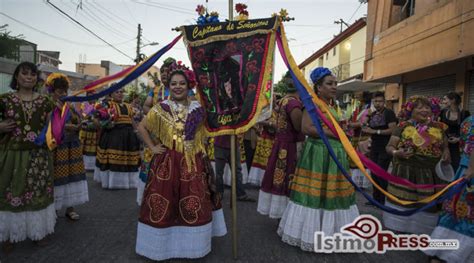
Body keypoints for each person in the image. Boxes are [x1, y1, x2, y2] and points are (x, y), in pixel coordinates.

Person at [135, 66, 227, 261]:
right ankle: (163, 247)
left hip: (194, 163)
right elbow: (141, 127)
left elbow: (213, 128)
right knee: (164, 203)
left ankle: (191, 246)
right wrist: (152, 147)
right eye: (173, 84)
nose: (177, 87)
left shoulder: (199, 110)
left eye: (182, 83)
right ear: (168, 86)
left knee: (193, 202)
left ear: (189, 85)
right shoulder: (160, 108)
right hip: (167, 163)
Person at [278, 67, 359, 251]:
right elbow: (306, 128)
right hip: (319, 153)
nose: (334, 87)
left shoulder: (333, 105)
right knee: (315, 195)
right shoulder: (312, 104)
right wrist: (335, 133)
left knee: (332, 194)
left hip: (335, 153)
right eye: (329, 84)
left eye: (335, 84)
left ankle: (330, 233)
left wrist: (343, 132)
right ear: (318, 87)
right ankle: (310, 233)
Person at [0, 62, 56, 250]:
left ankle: (37, 232)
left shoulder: (45, 101)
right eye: (24, 73)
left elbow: (52, 127)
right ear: (16, 77)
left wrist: (59, 118)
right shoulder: (4, 100)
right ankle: (8, 235)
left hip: (38, 157)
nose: (29, 77)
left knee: (37, 192)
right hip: (12, 156)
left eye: (33, 74)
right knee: (11, 191)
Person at [384, 96, 450, 235]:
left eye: (427, 107)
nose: (424, 110)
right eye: (419, 107)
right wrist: (397, 152)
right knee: (403, 201)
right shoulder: (402, 126)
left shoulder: (439, 127)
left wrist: (446, 152)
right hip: (405, 172)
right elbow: (389, 147)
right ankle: (400, 227)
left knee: (426, 205)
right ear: (411, 110)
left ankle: (421, 230)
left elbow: (445, 146)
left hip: (430, 174)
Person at [424, 116, 474, 263]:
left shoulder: (468, 120)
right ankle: (441, 254)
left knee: (455, 214)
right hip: (470, 172)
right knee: (461, 215)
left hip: (467, 169)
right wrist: (471, 170)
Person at [257, 73, 304, 219]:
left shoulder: (283, 100)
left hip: (280, 143)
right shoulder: (294, 104)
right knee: (287, 175)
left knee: (279, 175)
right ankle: (286, 214)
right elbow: (299, 127)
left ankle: (279, 212)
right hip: (289, 146)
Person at [47, 73, 89, 221]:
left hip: (73, 146)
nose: (63, 94)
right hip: (57, 148)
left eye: (65, 91)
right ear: (52, 91)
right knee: (58, 178)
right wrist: (65, 127)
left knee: (73, 178)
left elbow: (80, 121)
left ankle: (70, 208)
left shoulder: (70, 106)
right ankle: (54, 210)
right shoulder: (49, 106)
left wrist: (79, 125)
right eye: (59, 91)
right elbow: (48, 126)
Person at [94, 89, 141, 189]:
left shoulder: (128, 106)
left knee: (128, 158)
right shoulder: (107, 105)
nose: (120, 94)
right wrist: (104, 125)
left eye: (121, 92)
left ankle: (128, 182)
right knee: (113, 158)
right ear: (111, 94)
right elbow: (96, 119)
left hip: (128, 136)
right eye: (117, 92)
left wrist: (137, 132)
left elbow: (132, 120)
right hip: (113, 136)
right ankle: (113, 182)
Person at [361, 91, 397, 205]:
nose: (377, 104)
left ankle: (383, 200)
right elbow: (364, 126)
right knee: (373, 173)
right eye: (375, 101)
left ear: (384, 102)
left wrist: (376, 131)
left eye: (380, 101)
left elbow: (393, 130)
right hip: (374, 147)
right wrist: (367, 116)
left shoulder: (389, 113)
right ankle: (376, 199)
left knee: (381, 173)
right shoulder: (373, 114)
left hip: (385, 147)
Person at [214, 135, 255, 201]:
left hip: (234, 144)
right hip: (220, 144)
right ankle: (219, 193)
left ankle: (240, 194)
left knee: (237, 171)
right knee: (219, 172)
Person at [439, 92, 470, 171]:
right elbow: (439, 128)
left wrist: (459, 139)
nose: (443, 101)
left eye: (445, 99)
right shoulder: (442, 112)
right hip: (443, 144)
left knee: (456, 166)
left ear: (452, 100)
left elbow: (469, 131)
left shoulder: (465, 114)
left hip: (458, 147)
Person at [79, 92, 98, 171]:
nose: (92, 98)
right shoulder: (84, 104)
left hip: (94, 130)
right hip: (85, 129)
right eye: (90, 96)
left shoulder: (97, 105)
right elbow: (83, 116)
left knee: (93, 147)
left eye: (93, 96)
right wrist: (90, 116)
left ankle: (92, 166)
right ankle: (84, 165)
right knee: (84, 147)